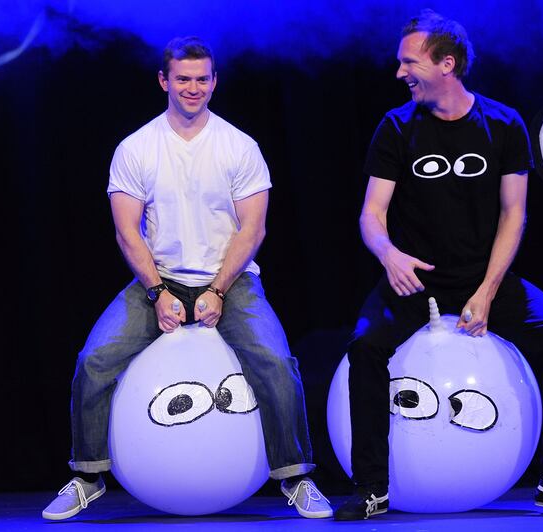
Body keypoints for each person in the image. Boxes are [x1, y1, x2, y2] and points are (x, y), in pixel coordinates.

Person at [334, 10, 543, 520]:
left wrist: (487, 290)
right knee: (364, 348)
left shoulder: (504, 123)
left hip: (486, 279)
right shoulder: (396, 127)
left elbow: (514, 214)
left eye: (408, 62)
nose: (399, 73)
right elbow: (371, 214)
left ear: (448, 63)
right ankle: (372, 488)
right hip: (414, 279)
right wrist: (388, 253)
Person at [42, 36, 332, 520]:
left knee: (277, 362)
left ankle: (296, 478)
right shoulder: (137, 148)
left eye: (202, 79)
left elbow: (253, 229)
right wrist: (157, 292)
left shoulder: (239, 146)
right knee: (94, 360)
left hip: (232, 279)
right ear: (164, 81)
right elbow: (127, 233)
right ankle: (87, 476)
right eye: (183, 79)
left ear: (214, 81)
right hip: (158, 278)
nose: (193, 88)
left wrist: (218, 288)